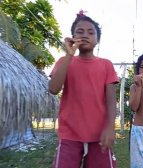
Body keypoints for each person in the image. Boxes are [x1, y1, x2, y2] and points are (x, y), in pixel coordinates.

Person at [49, 11, 118, 168]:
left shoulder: (106, 65)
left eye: (90, 32)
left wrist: (110, 128)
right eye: (80, 32)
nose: (85, 35)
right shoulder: (64, 61)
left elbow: (111, 100)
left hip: (99, 136)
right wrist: (69, 54)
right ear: (72, 37)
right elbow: (53, 89)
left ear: (97, 40)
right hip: (69, 136)